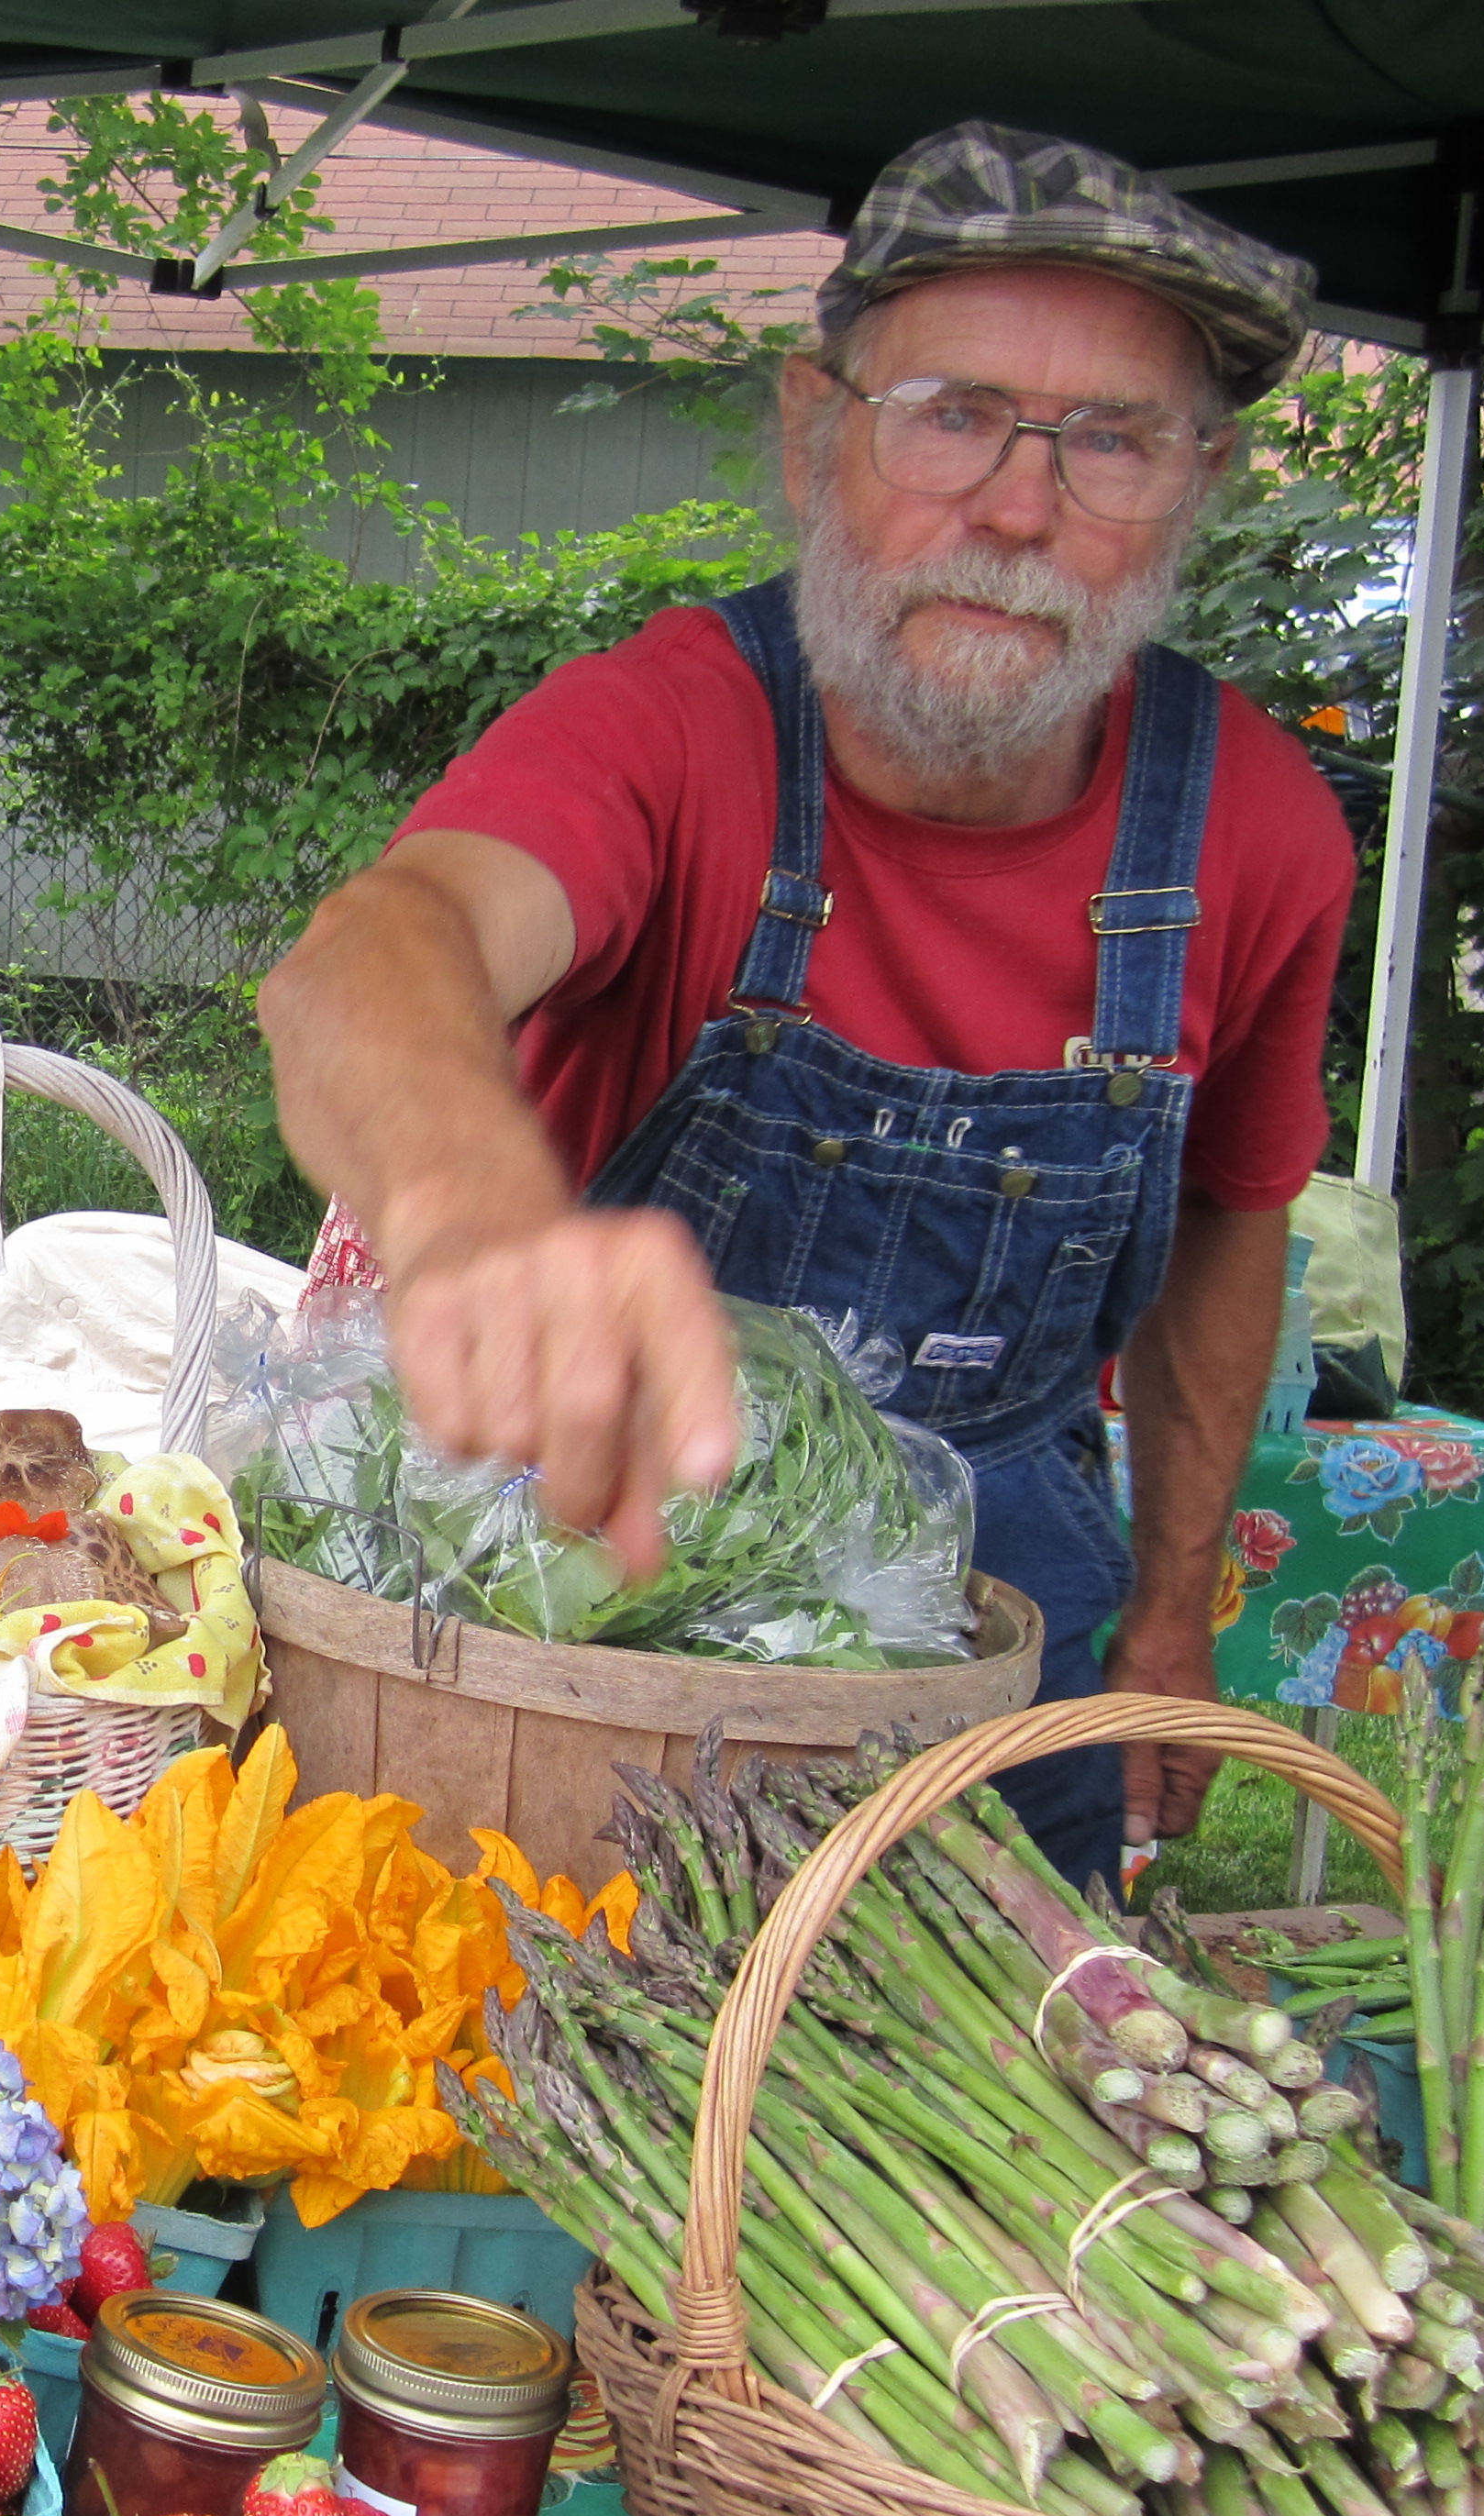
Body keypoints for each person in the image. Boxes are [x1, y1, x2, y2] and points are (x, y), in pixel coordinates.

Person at [259, 122, 1354, 1895]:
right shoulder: (677, 728)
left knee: (1009, 2103)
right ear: (814, 427)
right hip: (592, 1583)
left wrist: (1170, 1612)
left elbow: (1236, 1225)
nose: (1016, 509)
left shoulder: (1260, 828)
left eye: (1111, 443)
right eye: (952, 414)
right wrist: (470, 1209)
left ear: (1203, 481)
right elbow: (374, 955)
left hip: (995, 1598)